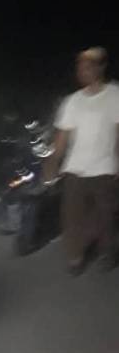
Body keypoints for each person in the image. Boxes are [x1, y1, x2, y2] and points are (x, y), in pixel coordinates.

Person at [44, 47, 119, 276]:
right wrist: (52, 163)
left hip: (105, 167)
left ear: (101, 67)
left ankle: (107, 252)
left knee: (106, 216)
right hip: (75, 168)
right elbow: (62, 137)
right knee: (71, 216)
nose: (82, 70)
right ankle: (75, 257)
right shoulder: (72, 101)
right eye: (79, 66)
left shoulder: (114, 95)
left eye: (87, 66)